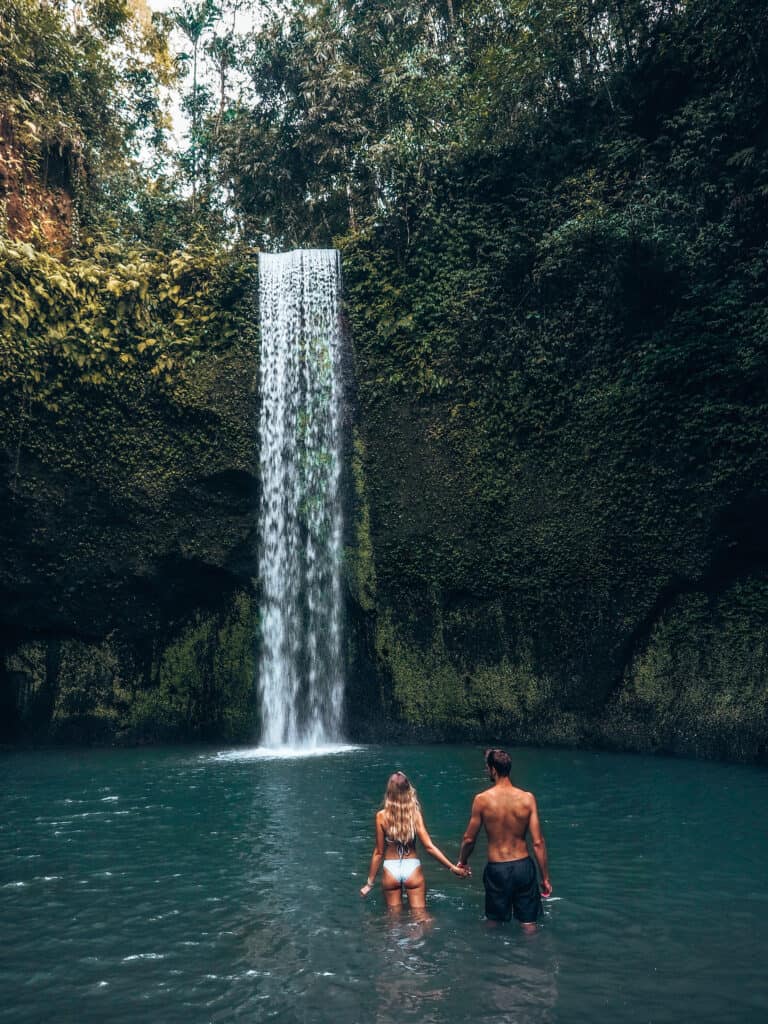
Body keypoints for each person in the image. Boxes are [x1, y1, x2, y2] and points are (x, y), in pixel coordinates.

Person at [457, 748, 552, 931]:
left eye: (487, 768)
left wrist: (463, 861)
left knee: (494, 921)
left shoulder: (482, 800)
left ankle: (492, 958)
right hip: (523, 866)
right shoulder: (527, 798)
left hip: (497, 869)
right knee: (528, 923)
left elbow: (469, 839)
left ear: (493, 769)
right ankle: (534, 957)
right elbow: (538, 842)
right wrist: (545, 878)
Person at [359, 770, 468, 910]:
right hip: (412, 868)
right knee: (420, 917)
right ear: (407, 791)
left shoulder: (381, 816)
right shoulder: (414, 814)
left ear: (389, 792)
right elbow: (429, 847)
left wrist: (369, 884)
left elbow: (379, 852)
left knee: (393, 920)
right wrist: (453, 868)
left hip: (390, 869)